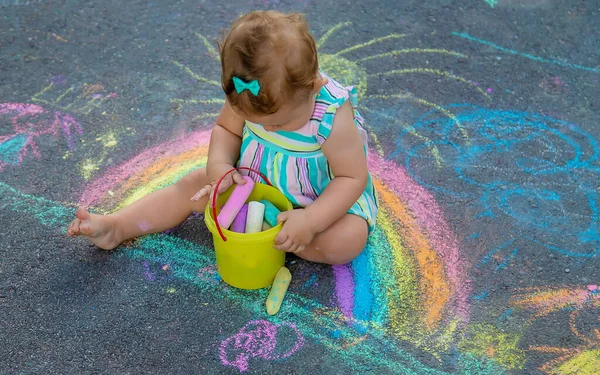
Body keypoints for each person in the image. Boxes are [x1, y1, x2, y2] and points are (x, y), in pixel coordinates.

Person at [67, 10, 378, 265]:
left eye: (280, 122)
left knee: (347, 241)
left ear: (311, 87)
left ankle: (281, 238)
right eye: (256, 123)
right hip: (252, 183)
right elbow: (226, 130)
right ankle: (119, 225)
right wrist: (220, 167)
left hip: (318, 196)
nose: (267, 130)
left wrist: (311, 221)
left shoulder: (331, 116)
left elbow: (352, 177)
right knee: (190, 187)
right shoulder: (245, 92)